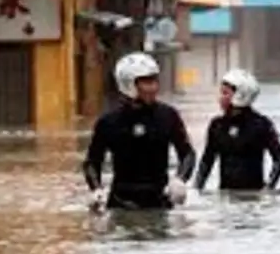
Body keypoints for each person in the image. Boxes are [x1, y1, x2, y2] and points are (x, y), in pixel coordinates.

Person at [84, 52, 196, 210]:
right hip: (120, 203)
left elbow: (187, 154)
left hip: (159, 203)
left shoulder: (168, 116)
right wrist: (95, 189)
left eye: (155, 81)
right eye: (146, 82)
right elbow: (92, 161)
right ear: (128, 84)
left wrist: (180, 180)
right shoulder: (109, 122)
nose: (153, 87)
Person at [195, 68, 280, 192]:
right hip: (225, 197)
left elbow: (279, 159)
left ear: (240, 96)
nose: (220, 98)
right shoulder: (217, 125)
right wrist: (197, 189)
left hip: (253, 197)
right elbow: (206, 162)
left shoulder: (261, 125)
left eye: (225, 93)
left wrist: (269, 187)